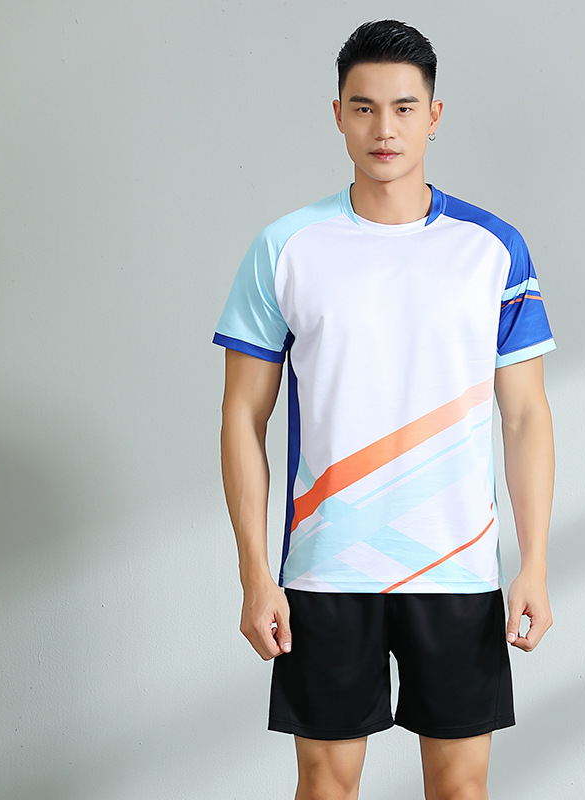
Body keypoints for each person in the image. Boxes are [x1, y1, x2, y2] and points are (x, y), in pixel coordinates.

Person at [213, 19, 556, 800]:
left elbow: (526, 418)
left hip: (457, 567)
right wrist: (255, 574)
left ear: (434, 115)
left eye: (403, 108)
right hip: (327, 568)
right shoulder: (286, 247)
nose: (384, 129)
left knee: (461, 789)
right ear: (338, 115)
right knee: (325, 787)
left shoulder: (494, 248)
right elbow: (241, 417)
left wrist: (533, 563)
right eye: (364, 108)